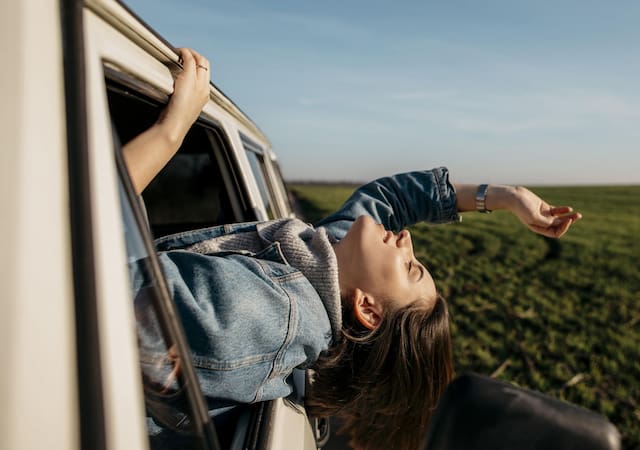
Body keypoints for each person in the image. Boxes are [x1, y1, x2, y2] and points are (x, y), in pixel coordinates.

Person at [125, 48, 582, 450]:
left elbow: (100, 284)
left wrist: (170, 132)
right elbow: (391, 199)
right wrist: (505, 197)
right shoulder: (322, 260)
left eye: (409, 267)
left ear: (367, 308)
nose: (406, 239)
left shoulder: (264, 313)